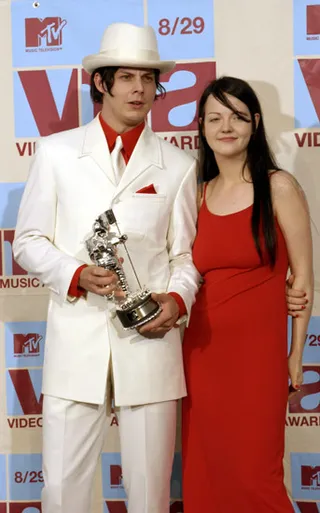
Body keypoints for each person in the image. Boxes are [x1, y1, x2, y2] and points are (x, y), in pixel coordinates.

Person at [13, 23, 201, 513]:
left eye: (148, 79)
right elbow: (28, 241)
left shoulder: (179, 166)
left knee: (150, 495)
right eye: (126, 78)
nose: (139, 89)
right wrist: (74, 274)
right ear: (102, 83)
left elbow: (185, 256)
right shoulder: (55, 153)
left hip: (152, 343)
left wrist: (178, 298)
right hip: (77, 342)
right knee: (62, 493)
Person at [181, 76, 313, 513]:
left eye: (236, 116)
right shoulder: (196, 195)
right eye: (214, 118)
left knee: (256, 476)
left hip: (258, 359)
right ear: (201, 127)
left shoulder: (278, 187)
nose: (226, 127)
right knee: (206, 472)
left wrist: (294, 355)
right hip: (200, 357)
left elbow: (303, 282)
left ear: (254, 123)